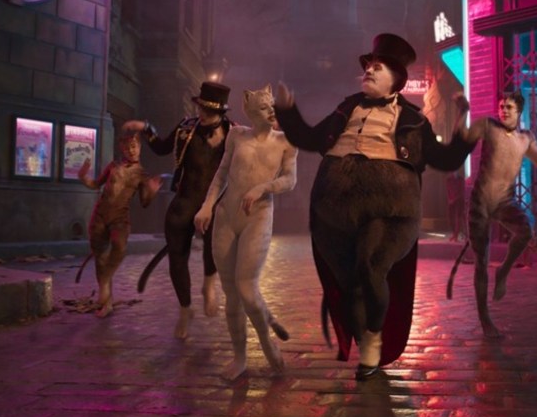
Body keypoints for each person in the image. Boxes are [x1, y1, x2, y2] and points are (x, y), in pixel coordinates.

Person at [274, 33, 472, 380]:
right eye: (369, 65)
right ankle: (364, 335)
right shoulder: (345, 109)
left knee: (370, 263)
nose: (369, 70)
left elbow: (444, 159)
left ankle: (374, 338)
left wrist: (464, 133)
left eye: (378, 67)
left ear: (397, 79)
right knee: (349, 283)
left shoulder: (414, 120)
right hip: (334, 211)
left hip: (389, 208)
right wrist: (288, 111)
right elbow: (309, 138)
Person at [448, 89, 537, 338]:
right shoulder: (488, 126)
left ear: (519, 112)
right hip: (480, 202)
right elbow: (462, 138)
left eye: (509, 107)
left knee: (525, 231)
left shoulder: (525, 137)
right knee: (481, 262)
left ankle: (503, 270)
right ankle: (486, 321)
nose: (503, 110)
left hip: (504, 201)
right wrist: (462, 111)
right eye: (501, 106)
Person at [194, 84, 298, 380]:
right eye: (264, 108)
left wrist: (263, 187)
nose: (271, 111)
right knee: (231, 293)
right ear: (250, 111)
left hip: (258, 216)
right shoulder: (237, 136)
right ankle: (239, 356)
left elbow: (290, 180)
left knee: (247, 289)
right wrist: (207, 206)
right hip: (227, 216)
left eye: (272, 106)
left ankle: (266, 341)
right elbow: (222, 174)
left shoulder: (285, 142)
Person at [124, 82, 233, 339]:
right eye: (200, 107)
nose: (201, 113)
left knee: (214, 246)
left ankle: (209, 284)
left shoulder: (234, 133)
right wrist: (146, 128)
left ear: (220, 112)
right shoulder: (186, 128)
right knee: (177, 257)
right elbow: (162, 147)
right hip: (185, 200)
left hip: (215, 203)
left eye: (208, 110)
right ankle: (185, 309)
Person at [77, 134, 163, 317]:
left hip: (120, 218)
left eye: (134, 146)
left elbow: (145, 202)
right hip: (100, 215)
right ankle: (107, 303)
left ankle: (105, 283)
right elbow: (96, 184)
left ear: (139, 147)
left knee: (119, 246)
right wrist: (83, 177)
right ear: (122, 148)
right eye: (127, 147)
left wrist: (152, 191)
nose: (131, 150)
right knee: (100, 258)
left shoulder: (141, 174)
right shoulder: (113, 166)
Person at [446, 169, 466, 242]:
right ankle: (454, 234)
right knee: (451, 218)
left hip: (459, 201)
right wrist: (450, 199)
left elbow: (462, 191)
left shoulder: (461, 179)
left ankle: (456, 235)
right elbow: (448, 190)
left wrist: (455, 199)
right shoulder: (449, 180)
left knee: (458, 218)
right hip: (451, 202)